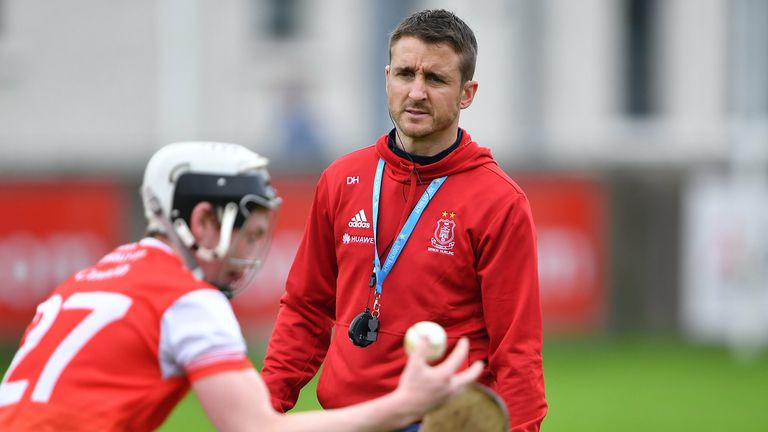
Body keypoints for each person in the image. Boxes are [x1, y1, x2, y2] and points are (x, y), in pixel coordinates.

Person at [0, 141, 483, 431]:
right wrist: (404, 405)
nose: (252, 249)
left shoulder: (86, 280)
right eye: (246, 231)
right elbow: (255, 429)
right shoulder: (188, 300)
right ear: (203, 219)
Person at [261, 9, 548, 432]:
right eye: (405, 74)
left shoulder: (499, 201)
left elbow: (516, 346)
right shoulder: (342, 179)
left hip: (441, 422)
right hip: (348, 420)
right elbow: (306, 310)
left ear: (467, 93)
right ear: (387, 77)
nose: (416, 92)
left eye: (435, 79)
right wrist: (263, 410)